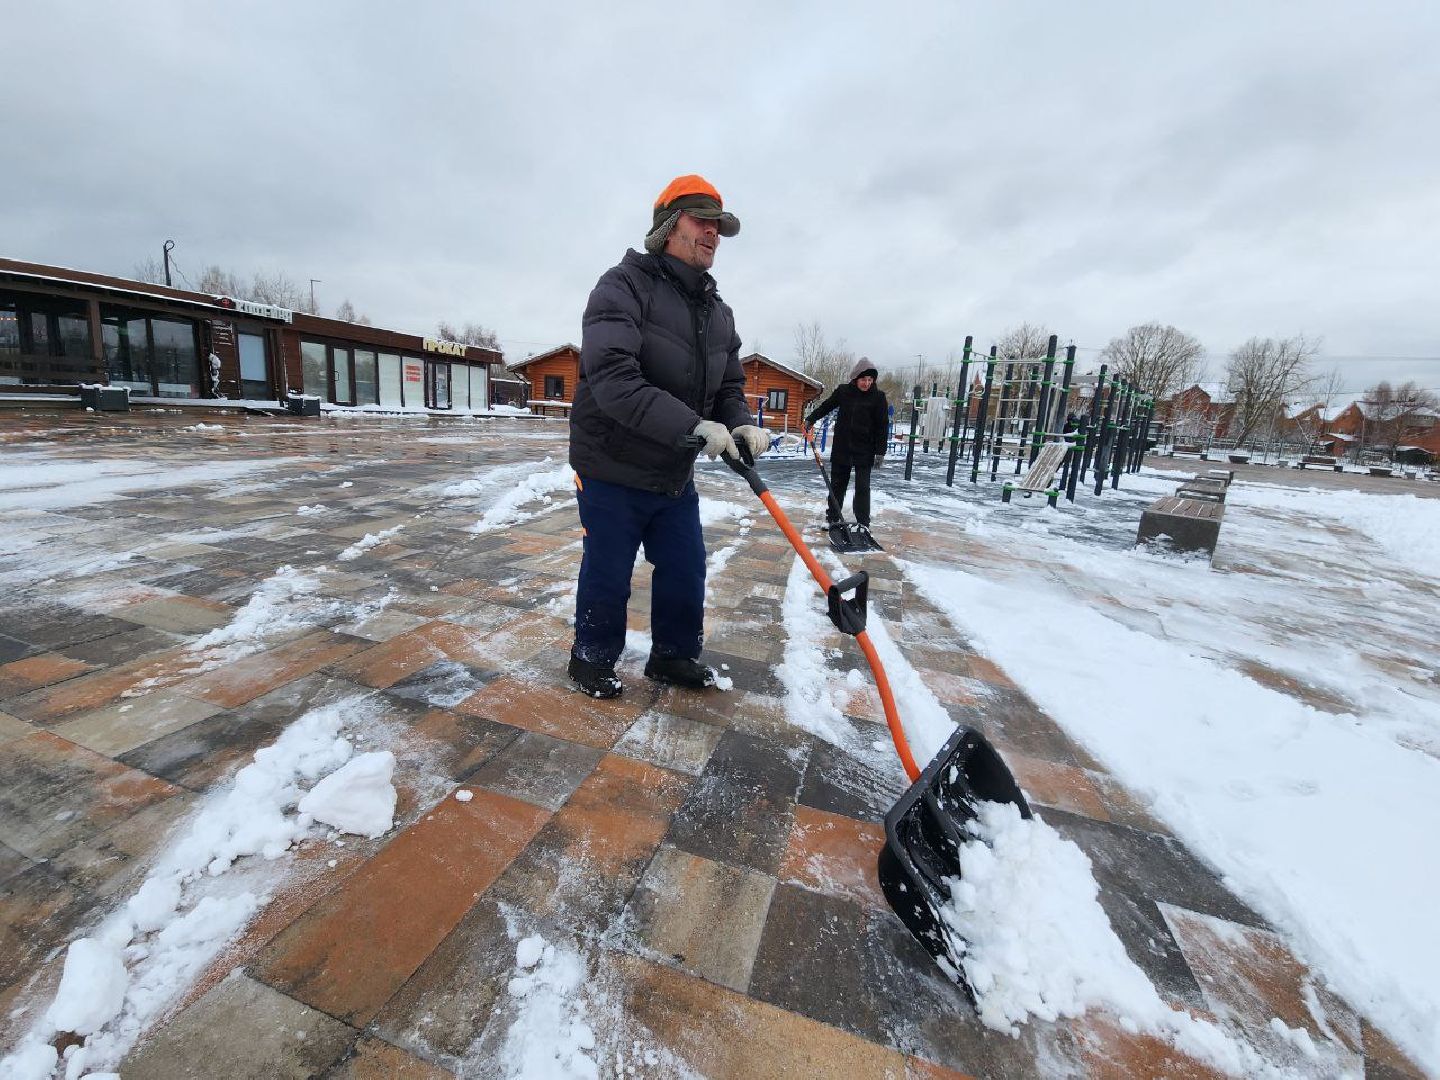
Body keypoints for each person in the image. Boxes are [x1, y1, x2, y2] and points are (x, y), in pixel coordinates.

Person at [566, 175, 770, 699]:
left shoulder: (716, 310)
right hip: (611, 462)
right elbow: (613, 378)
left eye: (718, 226)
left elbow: (727, 384)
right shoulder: (623, 286)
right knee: (609, 570)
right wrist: (690, 426)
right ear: (668, 225)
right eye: (702, 221)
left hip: (671, 470)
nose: (713, 233)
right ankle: (591, 657)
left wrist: (741, 419)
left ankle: (673, 656)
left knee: (685, 565)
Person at [805, 358, 889, 536]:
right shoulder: (844, 391)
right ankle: (833, 517)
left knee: (862, 487)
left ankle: (863, 523)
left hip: (865, 449)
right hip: (843, 447)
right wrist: (811, 419)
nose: (866, 383)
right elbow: (827, 406)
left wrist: (880, 452)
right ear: (855, 378)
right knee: (837, 485)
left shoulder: (879, 397)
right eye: (863, 379)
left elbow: (882, 426)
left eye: (870, 380)